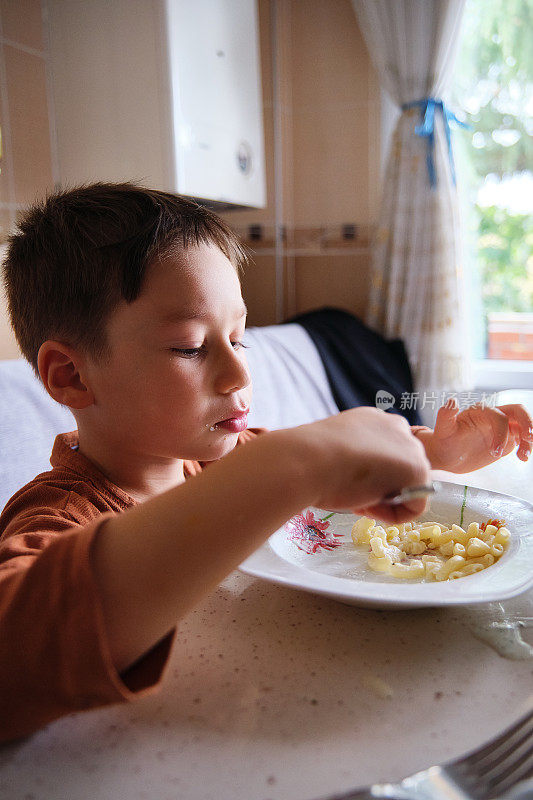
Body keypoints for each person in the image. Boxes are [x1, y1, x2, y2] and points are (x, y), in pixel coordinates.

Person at [0, 183, 531, 745]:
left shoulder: (220, 461)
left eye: (238, 337)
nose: (239, 375)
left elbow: (335, 465)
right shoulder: (57, 514)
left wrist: (437, 453)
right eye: (189, 347)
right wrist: (288, 466)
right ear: (71, 376)